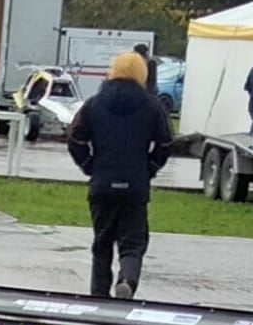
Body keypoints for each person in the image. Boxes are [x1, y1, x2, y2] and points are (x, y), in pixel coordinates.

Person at [66, 51, 173, 300]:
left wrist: (89, 165)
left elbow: (74, 137)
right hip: (135, 186)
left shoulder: (94, 104)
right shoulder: (153, 106)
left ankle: (98, 295)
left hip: (102, 184)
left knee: (102, 243)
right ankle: (126, 280)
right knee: (133, 244)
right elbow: (166, 142)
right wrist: (150, 168)